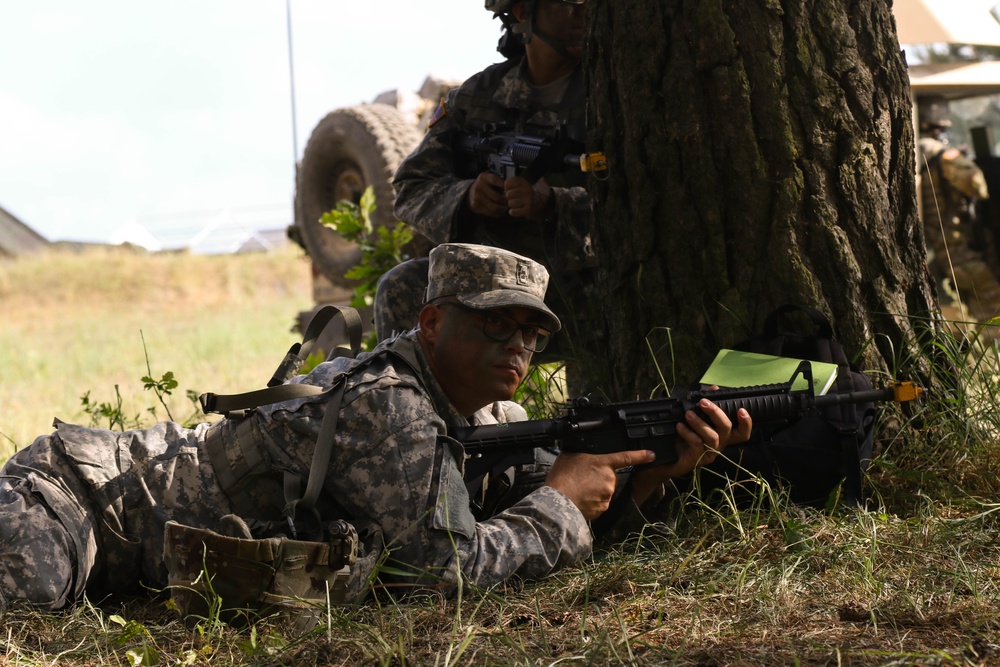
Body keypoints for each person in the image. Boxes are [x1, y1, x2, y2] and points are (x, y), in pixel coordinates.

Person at [0, 243, 752, 613]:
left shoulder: (492, 417)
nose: (517, 348)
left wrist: (653, 472)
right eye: (495, 326)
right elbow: (441, 569)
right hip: (80, 498)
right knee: (23, 599)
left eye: (532, 334)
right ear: (431, 323)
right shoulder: (388, 404)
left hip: (141, 547)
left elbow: (547, 520)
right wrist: (556, 500)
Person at [385, 0, 594, 352]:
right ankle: (413, 399)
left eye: (588, 4)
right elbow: (410, 189)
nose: (582, 13)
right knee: (402, 284)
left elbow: (647, 204)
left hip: (585, 286)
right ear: (524, 13)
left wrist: (555, 204)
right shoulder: (476, 97)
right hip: (493, 285)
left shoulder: (612, 91)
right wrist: (465, 198)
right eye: (568, 3)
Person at [917, 96, 1000, 332]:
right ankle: (992, 365)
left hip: (938, 253)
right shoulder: (942, 155)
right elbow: (978, 186)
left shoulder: (914, 150)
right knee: (994, 312)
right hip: (959, 252)